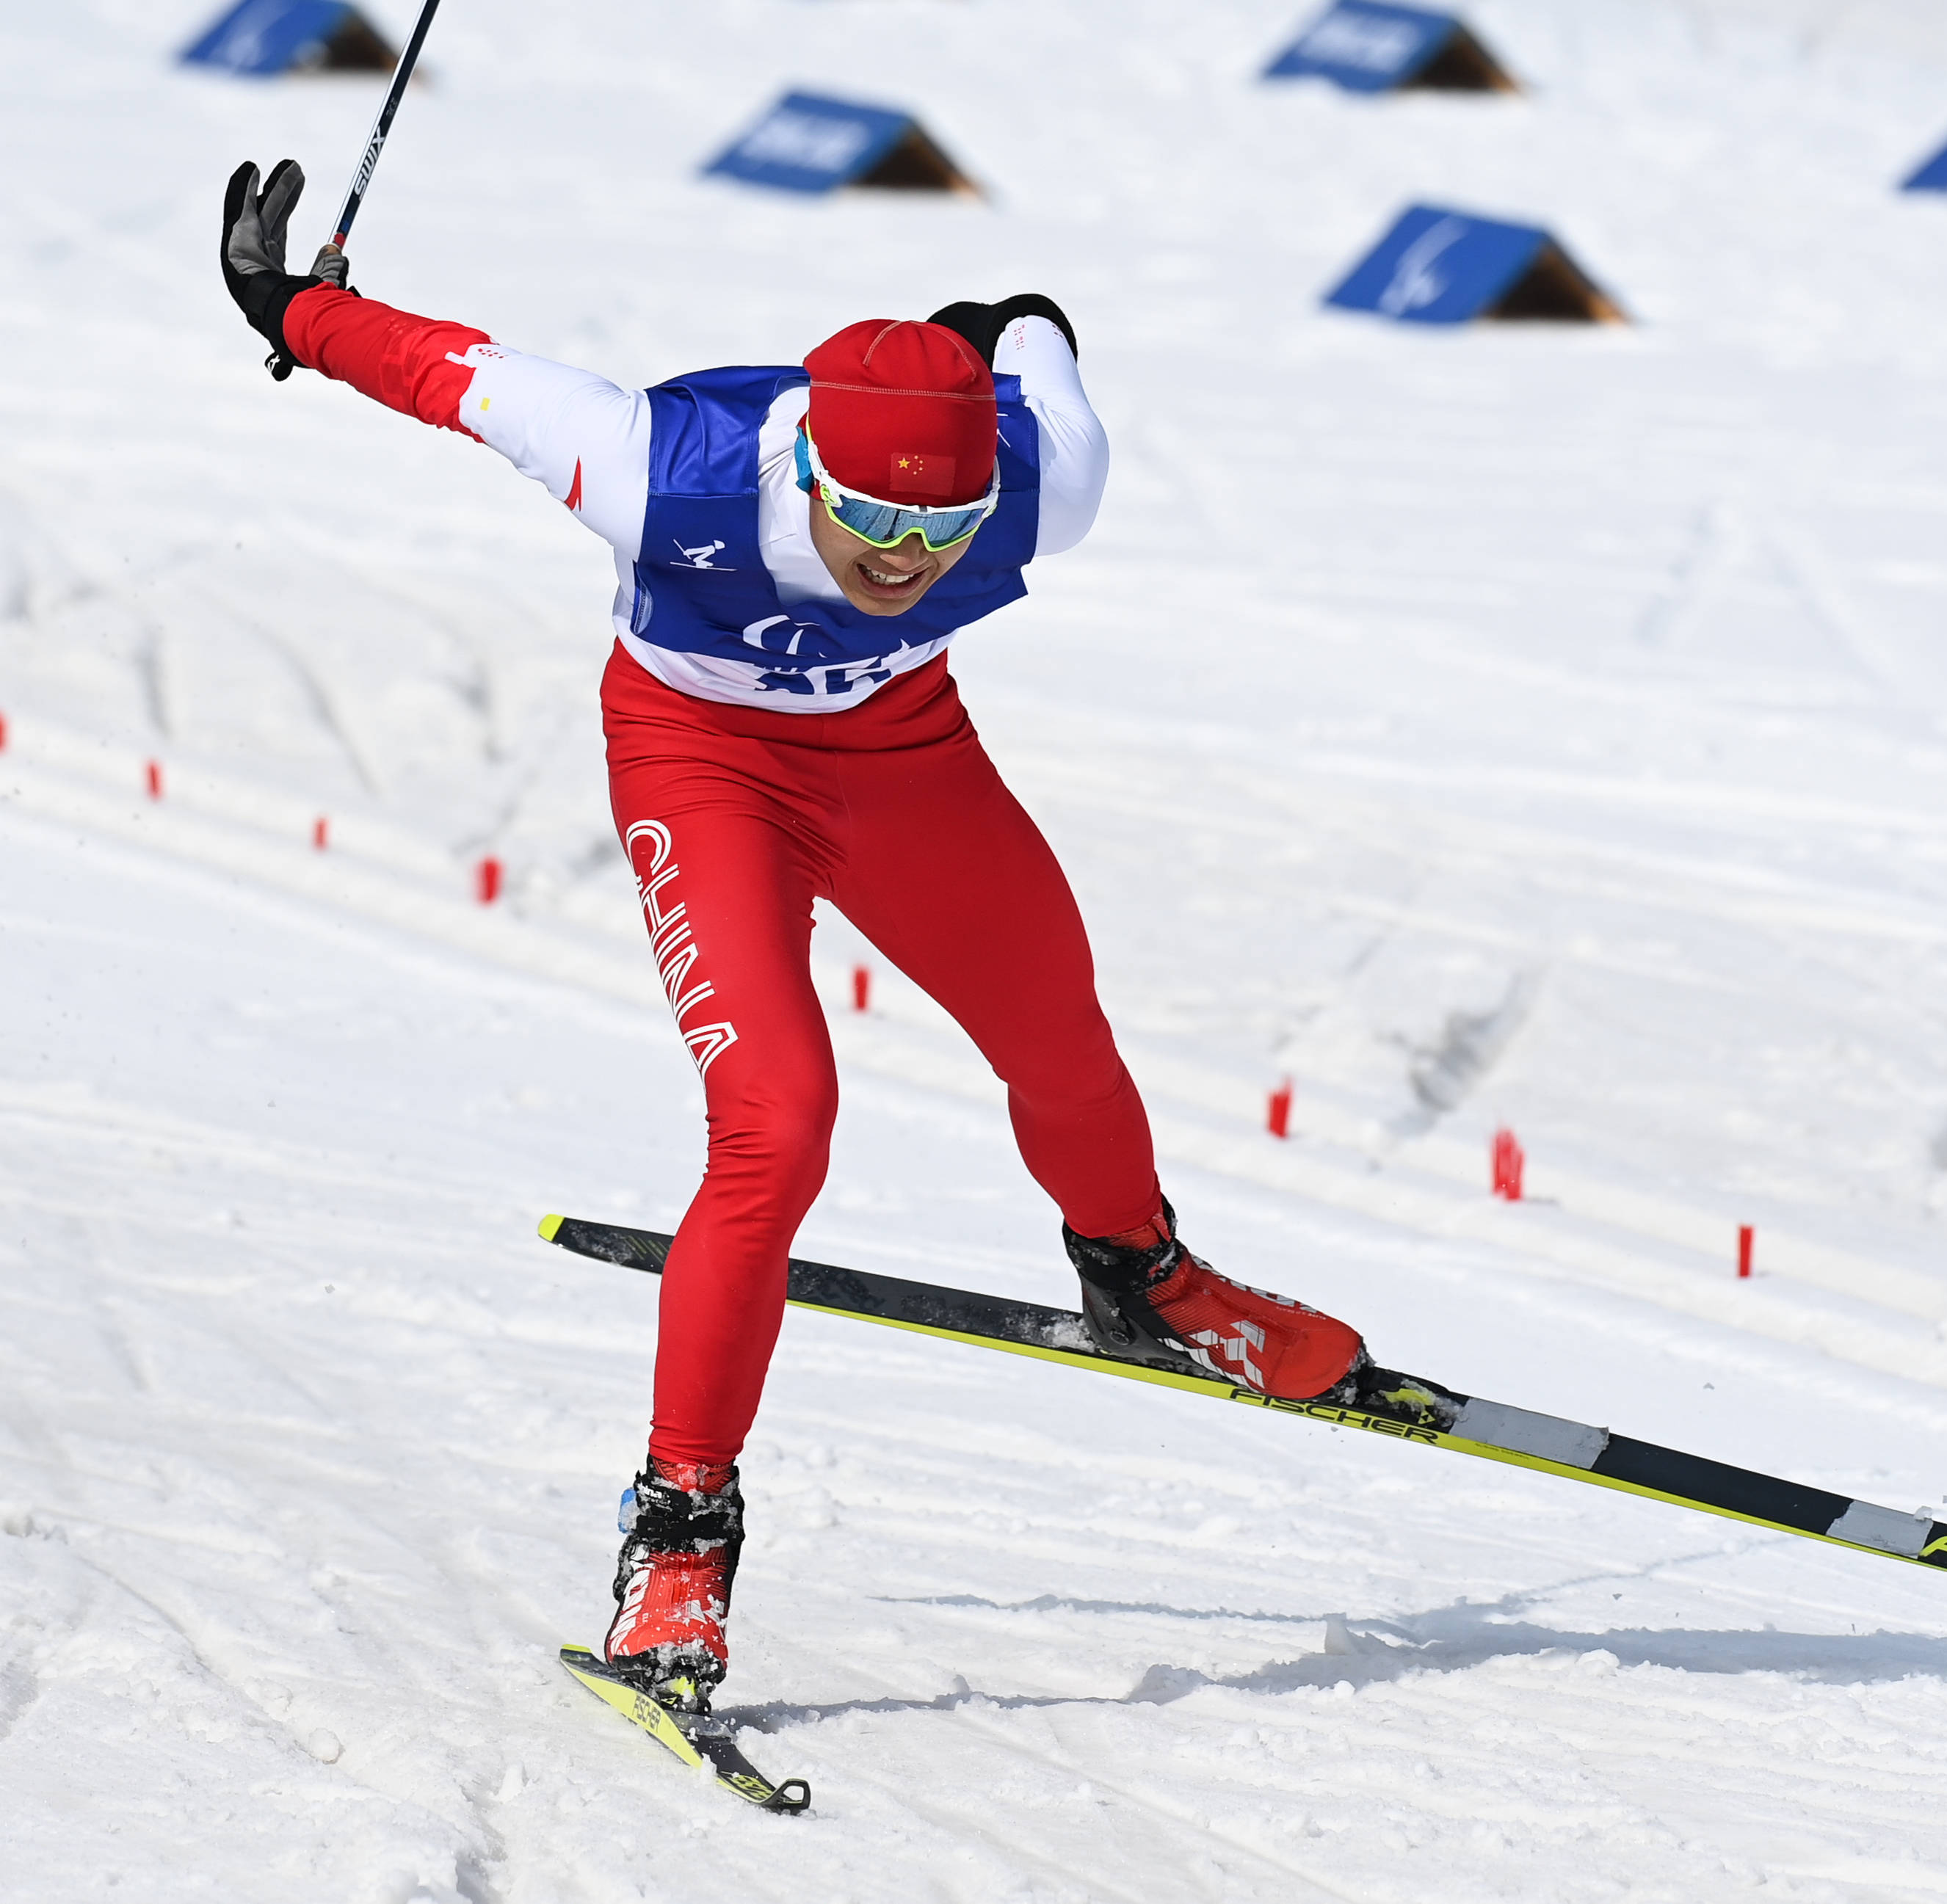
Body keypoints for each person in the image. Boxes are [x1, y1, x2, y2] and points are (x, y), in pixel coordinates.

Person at [217, 159, 1366, 1709]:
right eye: (868, 515)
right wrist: (300, 304)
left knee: (1062, 1040)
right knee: (780, 1121)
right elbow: (449, 375)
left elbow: (1036, 331)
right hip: (704, 768)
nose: (900, 554)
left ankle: (1143, 1277)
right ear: (808, 465)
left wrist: (998, 328)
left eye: (939, 524)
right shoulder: (658, 464)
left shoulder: (1049, 482)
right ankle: (679, 1533)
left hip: (902, 756)